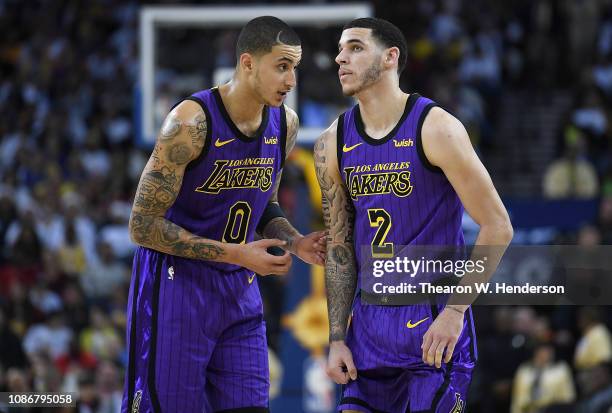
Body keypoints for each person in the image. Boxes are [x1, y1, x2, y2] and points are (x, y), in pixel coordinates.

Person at [122, 16, 326, 413]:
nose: (291, 80)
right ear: (248, 63)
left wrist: (295, 242)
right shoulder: (190, 122)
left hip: (238, 290)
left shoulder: (285, 124)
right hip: (175, 286)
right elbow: (141, 225)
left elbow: (262, 203)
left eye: (295, 68)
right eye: (282, 66)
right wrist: (237, 254)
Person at [314, 18, 513, 412]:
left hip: (432, 318)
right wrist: (337, 336)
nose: (341, 58)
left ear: (390, 57)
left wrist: (456, 311)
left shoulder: (437, 127)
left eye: (355, 47)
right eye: (340, 49)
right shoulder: (331, 142)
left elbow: (498, 226)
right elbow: (339, 248)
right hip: (369, 326)